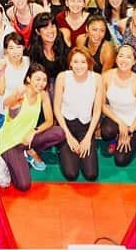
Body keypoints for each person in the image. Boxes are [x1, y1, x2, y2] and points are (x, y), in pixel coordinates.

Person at [0, 63, 65, 191]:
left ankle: (29, 151)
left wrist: (34, 132)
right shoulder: (21, 93)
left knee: (59, 132)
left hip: (28, 139)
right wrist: (16, 95)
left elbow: (50, 121)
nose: (41, 83)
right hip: (10, 142)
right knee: (24, 185)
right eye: (38, 79)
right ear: (29, 79)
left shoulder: (43, 94)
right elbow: (6, 103)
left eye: (44, 80)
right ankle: (8, 159)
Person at [54, 46, 102, 181]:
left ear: (89, 63)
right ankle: (61, 147)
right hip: (66, 127)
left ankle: (86, 145)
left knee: (91, 174)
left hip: (85, 127)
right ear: (70, 63)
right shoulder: (62, 77)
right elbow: (57, 108)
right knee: (71, 174)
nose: (79, 66)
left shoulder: (97, 79)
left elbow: (97, 111)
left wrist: (88, 137)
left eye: (83, 62)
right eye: (75, 62)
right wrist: (68, 137)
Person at [100, 45, 136, 167]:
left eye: (128, 57)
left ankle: (133, 140)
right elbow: (103, 105)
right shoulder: (106, 76)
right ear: (116, 59)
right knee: (106, 132)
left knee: (121, 160)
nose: (123, 60)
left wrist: (129, 131)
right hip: (114, 118)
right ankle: (114, 138)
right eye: (121, 56)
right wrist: (120, 123)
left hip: (133, 123)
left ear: (134, 61)